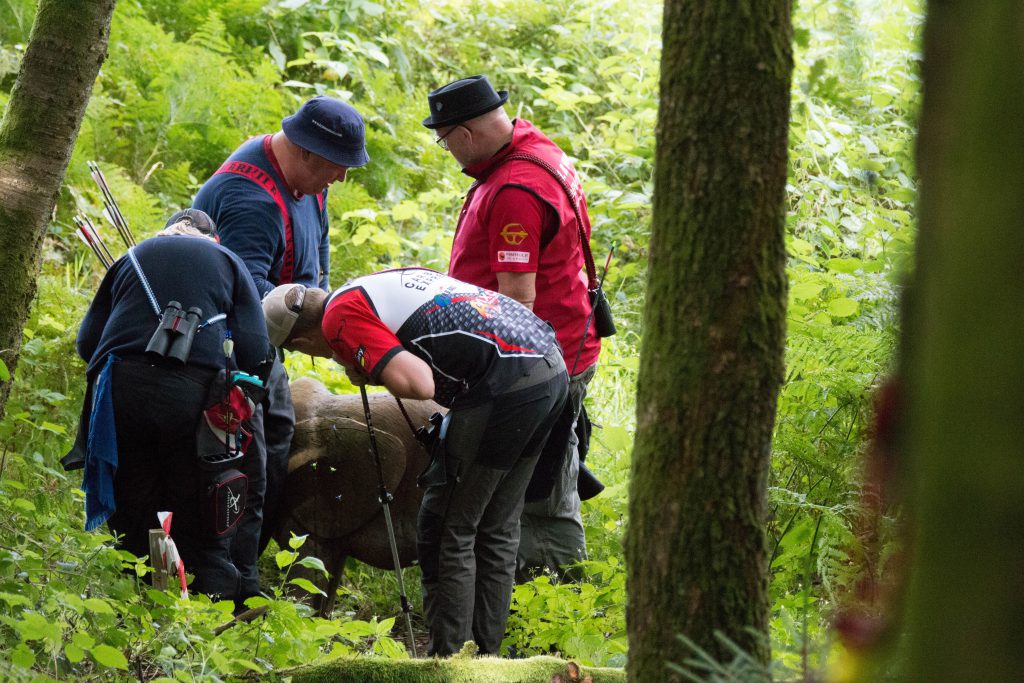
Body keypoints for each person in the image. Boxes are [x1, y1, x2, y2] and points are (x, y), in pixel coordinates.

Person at [261, 267, 569, 656]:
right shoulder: (364, 286)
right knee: (496, 525)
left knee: (446, 528)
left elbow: (420, 384)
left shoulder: (339, 318)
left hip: (504, 385)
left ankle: (449, 662)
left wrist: (373, 370)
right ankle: (486, 658)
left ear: (302, 341)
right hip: (548, 365)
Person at [422, 75, 603, 581]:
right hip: (565, 346)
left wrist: (495, 385)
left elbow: (516, 304)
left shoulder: (515, 191)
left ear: (464, 134)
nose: (449, 152)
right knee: (547, 470)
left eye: (445, 140)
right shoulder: (537, 149)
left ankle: (547, 598)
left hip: (536, 362)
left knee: (534, 488)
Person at [193, 95, 370, 551]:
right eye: (337, 164)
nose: (342, 176)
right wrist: (321, 338)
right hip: (228, 347)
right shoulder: (253, 202)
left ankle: (246, 556)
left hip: (271, 333)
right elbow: (243, 297)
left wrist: (325, 309)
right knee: (258, 451)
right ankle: (233, 567)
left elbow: (320, 251)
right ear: (306, 150)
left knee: (275, 438)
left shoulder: (308, 179)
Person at [73, 212, 274, 603]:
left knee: (133, 511)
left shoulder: (130, 257)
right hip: (194, 398)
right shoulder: (229, 261)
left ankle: (135, 612)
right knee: (200, 511)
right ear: (213, 239)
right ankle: (207, 617)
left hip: (121, 394)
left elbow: (87, 344)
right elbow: (255, 349)